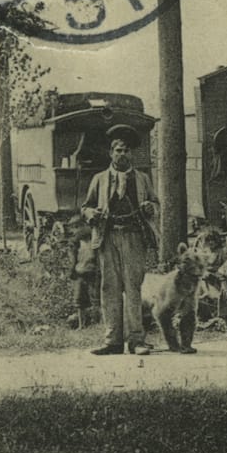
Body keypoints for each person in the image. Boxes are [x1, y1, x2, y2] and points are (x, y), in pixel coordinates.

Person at [81, 125, 158, 355]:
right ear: (110, 153)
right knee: (109, 287)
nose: (121, 154)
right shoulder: (99, 179)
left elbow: (156, 204)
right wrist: (90, 214)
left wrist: (150, 208)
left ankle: (137, 340)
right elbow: (85, 206)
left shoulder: (143, 179)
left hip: (134, 237)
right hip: (108, 237)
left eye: (126, 150)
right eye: (117, 150)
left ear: (131, 153)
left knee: (133, 287)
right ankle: (112, 341)